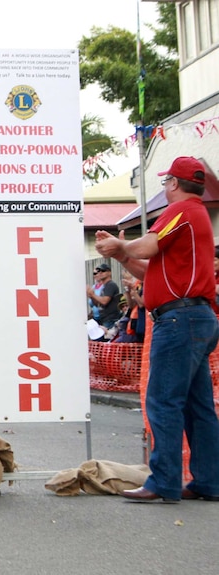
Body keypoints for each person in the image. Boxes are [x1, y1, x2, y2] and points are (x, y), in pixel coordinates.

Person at [95, 156, 219, 503]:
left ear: (174, 185)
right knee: (197, 406)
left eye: (166, 182)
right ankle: (209, 480)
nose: (164, 187)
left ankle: (163, 482)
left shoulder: (181, 211)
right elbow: (151, 267)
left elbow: (147, 246)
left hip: (179, 319)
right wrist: (122, 255)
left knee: (164, 401)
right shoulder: (196, 215)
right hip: (195, 316)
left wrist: (121, 246)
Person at [86, 263, 121, 331]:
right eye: (99, 271)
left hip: (111, 319)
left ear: (109, 272)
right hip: (103, 318)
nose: (101, 273)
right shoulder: (104, 286)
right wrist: (91, 296)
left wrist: (93, 295)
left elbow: (104, 301)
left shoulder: (110, 285)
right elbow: (98, 304)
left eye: (103, 271)